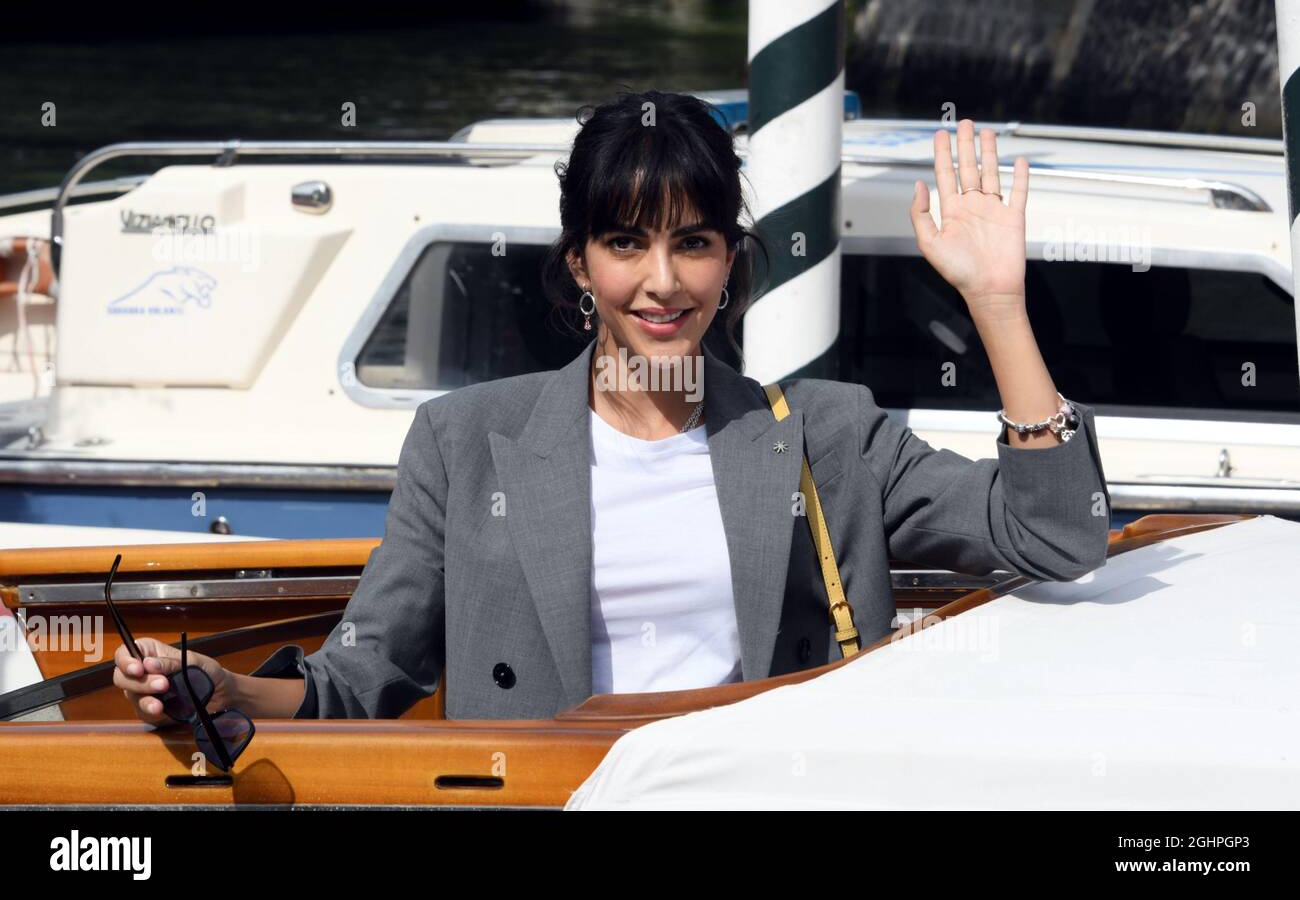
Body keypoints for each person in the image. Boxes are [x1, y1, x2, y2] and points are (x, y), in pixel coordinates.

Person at [115, 90, 1111, 724]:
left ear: (731, 261)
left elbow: (1058, 534)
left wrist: (994, 300)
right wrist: (226, 688)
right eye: (627, 242)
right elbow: (361, 680)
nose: (663, 279)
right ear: (579, 264)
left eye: (695, 242)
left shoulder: (830, 433)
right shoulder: (466, 442)